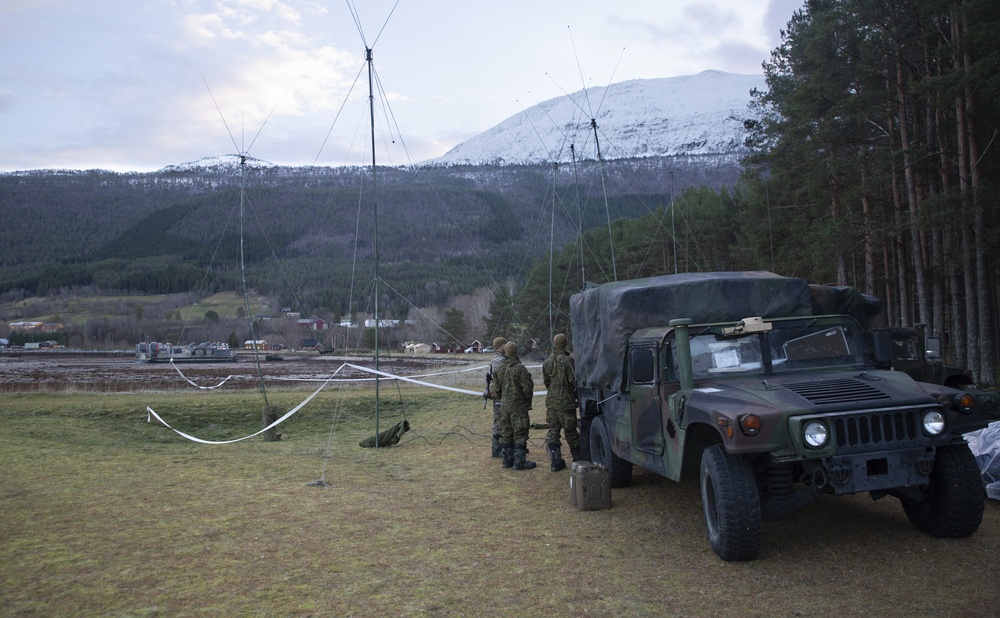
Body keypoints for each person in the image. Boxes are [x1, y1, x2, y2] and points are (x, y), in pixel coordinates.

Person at [542, 333, 580, 471]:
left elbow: (547, 382)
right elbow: (573, 381)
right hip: (566, 403)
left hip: (551, 403)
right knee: (570, 432)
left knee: (553, 431)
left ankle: (555, 462)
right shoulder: (568, 361)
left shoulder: (547, 362)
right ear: (565, 344)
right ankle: (578, 461)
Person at [496, 341, 536, 470]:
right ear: (516, 352)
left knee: (506, 433)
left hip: (504, 406)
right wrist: (526, 399)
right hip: (518, 406)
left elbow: (496, 389)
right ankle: (519, 462)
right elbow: (528, 387)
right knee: (520, 433)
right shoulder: (520, 368)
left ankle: (507, 461)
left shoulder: (500, 367)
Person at [485, 336, 507, 458]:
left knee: (503, 421)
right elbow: (500, 379)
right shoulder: (498, 361)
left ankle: (504, 447)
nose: (506, 346)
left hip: (501, 395)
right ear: (500, 346)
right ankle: (497, 450)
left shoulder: (502, 359)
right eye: (504, 344)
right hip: (499, 395)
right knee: (499, 422)